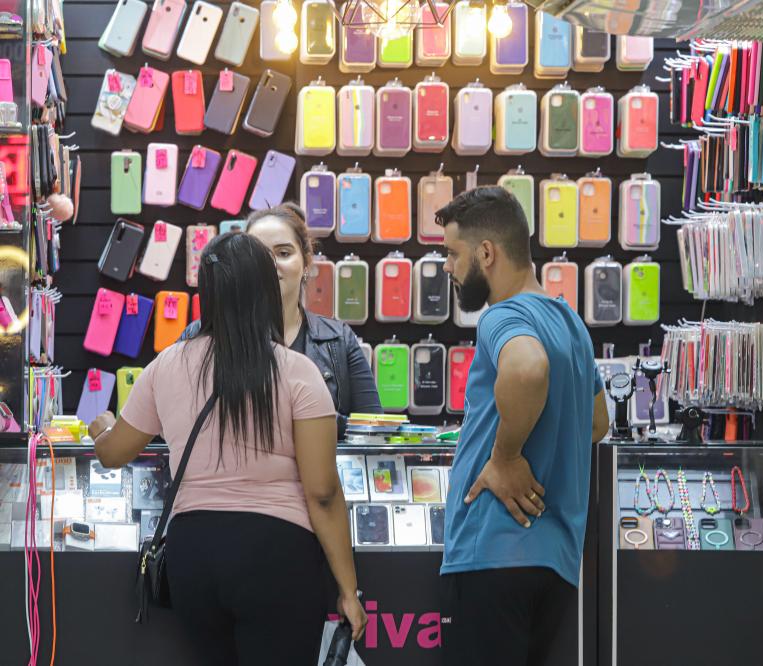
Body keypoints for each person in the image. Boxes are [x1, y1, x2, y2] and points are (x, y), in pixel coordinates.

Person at [87, 233, 367, 665]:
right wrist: (348, 589)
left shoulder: (167, 365)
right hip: (277, 553)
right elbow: (323, 492)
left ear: (207, 292)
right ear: (265, 290)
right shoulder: (297, 371)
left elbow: (112, 453)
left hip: (193, 556)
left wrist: (102, 426)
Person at [435, 187, 610, 665]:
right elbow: (597, 422)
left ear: (486, 253)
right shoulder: (571, 324)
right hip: (554, 561)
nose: (448, 267)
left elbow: (528, 368)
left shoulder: (503, 315)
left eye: (453, 253)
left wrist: (505, 457)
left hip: (492, 550)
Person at [179, 203, 382, 437]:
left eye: (284, 253)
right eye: (258, 255)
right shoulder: (201, 334)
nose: (271, 264)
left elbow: (373, 432)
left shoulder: (338, 340)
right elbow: (166, 418)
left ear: (306, 263)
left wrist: (316, 418)